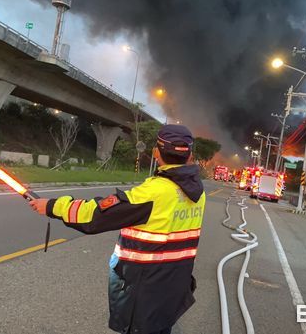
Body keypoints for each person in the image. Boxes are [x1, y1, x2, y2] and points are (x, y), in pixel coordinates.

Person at [29, 124, 206, 334]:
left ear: (156, 152)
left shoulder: (154, 192)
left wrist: (51, 206)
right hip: (173, 286)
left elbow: (96, 215)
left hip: (145, 290)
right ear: (190, 155)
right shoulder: (197, 193)